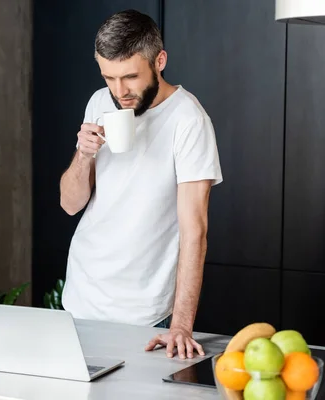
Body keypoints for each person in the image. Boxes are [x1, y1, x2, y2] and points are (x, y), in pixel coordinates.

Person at [59, 9, 223, 359]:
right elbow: (70, 204)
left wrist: (181, 325)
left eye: (130, 77)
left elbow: (195, 230)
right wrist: (83, 155)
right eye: (109, 77)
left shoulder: (188, 120)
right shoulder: (99, 102)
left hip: (144, 313)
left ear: (159, 60)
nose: (119, 92)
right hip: (81, 296)